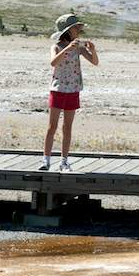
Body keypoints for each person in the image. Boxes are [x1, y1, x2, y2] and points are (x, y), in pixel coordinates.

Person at [39, 14, 99, 171]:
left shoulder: (78, 48)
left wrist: (92, 50)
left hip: (73, 90)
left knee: (67, 127)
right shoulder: (56, 47)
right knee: (52, 127)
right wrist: (67, 48)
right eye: (76, 28)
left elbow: (94, 62)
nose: (79, 31)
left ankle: (64, 161)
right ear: (67, 31)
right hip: (58, 90)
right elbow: (53, 62)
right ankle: (46, 160)